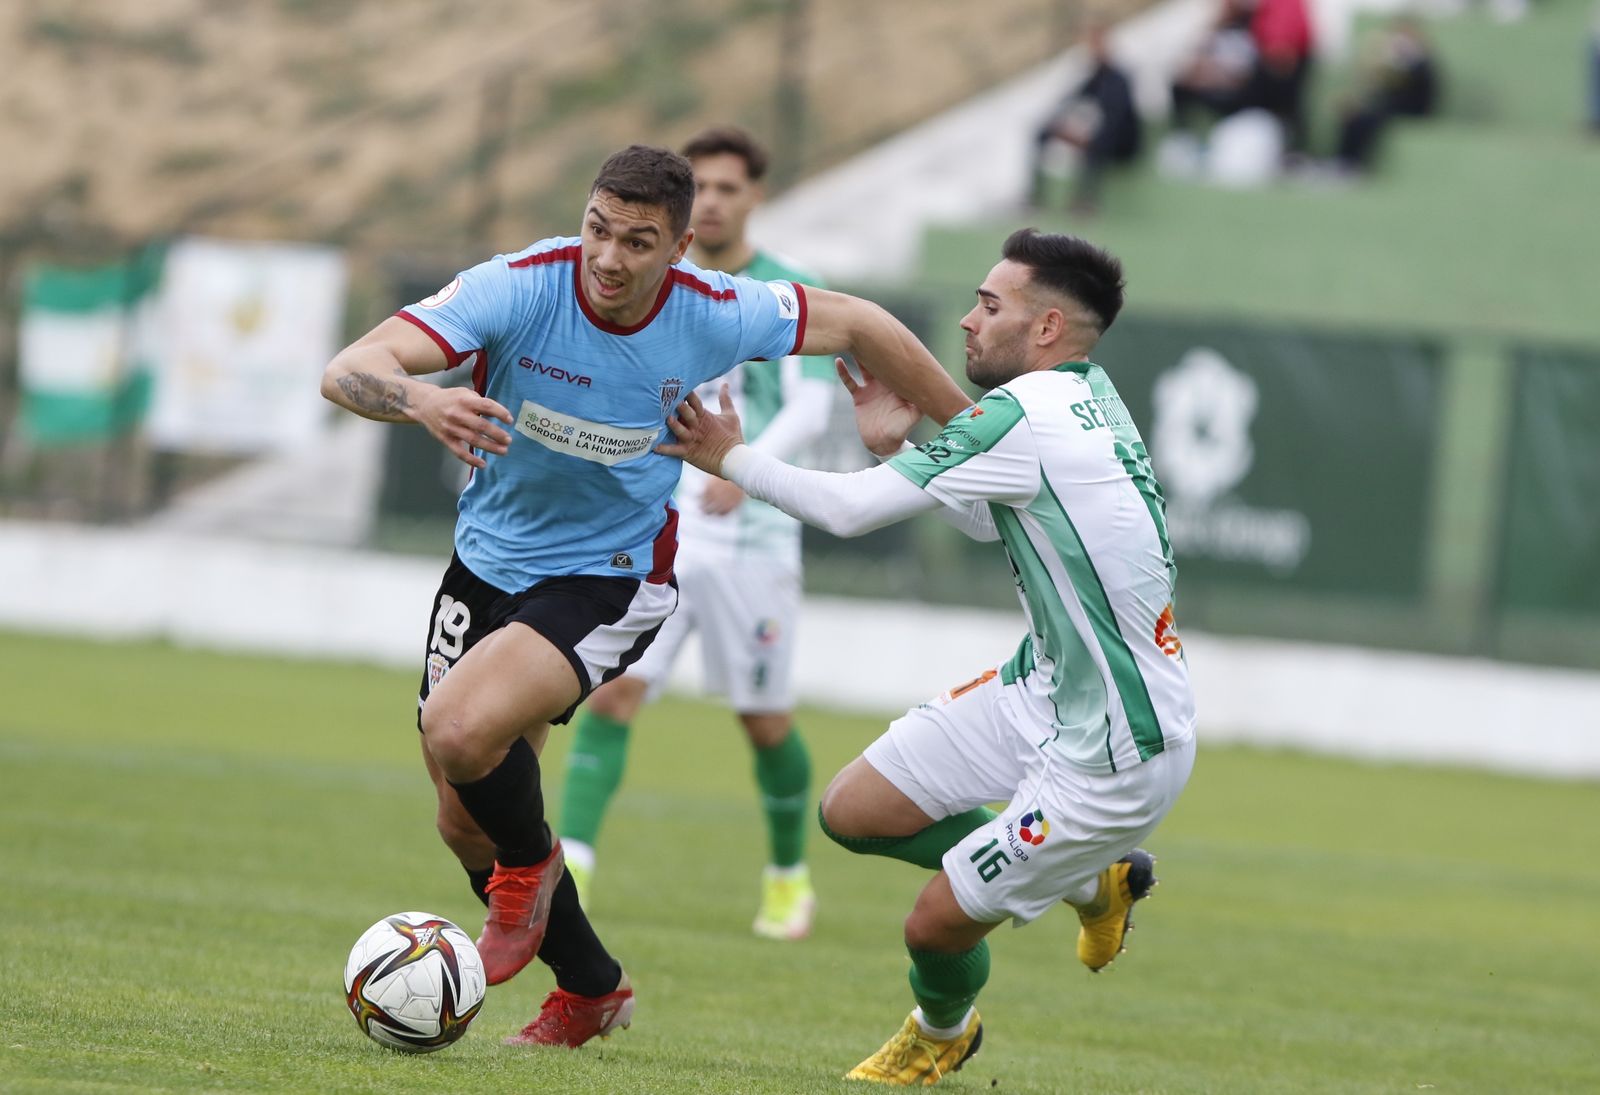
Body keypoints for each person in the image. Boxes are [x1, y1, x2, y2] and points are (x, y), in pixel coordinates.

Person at [320, 143, 969, 1049]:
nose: (609, 258)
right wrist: (418, 402)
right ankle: (591, 988)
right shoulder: (517, 286)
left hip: (611, 575)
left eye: (637, 240)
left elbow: (862, 324)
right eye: (597, 229)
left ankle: (533, 869)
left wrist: (974, 433)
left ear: (679, 245)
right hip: (483, 566)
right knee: (462, 817)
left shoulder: (713, 311)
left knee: (463, 732)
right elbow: (351, 365)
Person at [660, 228, 1197, 1085]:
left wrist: (729, 456)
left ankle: (942, 1030)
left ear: (1048, 326)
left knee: (933, 925)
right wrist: (899, 449)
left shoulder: (1027, 413)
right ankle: (1093, 884)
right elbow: (1000, 518)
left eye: (990, 306)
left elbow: (847, 514)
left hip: (1114, 751)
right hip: (1044, 692)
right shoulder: (1086, 393)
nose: (967, 321)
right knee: (854, 809)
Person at [557, 126, 835, 940]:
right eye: (701, 187)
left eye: (727, 188)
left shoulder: (787, 289)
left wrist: (739, 466)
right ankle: (570, 861)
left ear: (754, 196)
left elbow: (815, 402)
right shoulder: (653, 281)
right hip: (658, 527)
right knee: (609, 692)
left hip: (753, 533)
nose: (712, 200)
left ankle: (787, 874)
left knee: (764, 718)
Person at [1027, 23, 1143, 215]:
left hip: (1123, 144)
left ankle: (1085, 201)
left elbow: (1115, 123)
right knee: (1043, 133)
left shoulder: (1119, 78)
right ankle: (1036, 197)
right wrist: (1060, 127)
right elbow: (1070, 101)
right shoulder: (1093, 76)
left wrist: (1085, 138)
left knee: (1096, 145)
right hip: (1098, 136)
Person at [1333, 16, 1440, 174]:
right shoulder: (1400, 59)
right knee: (1353, 116)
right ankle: (1343, 161)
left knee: (1368, 120)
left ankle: (1356, 165)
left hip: (1413, 110)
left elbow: (1409, 85)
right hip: (1392, 106)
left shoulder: (1422, 61)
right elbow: (1383, 89)